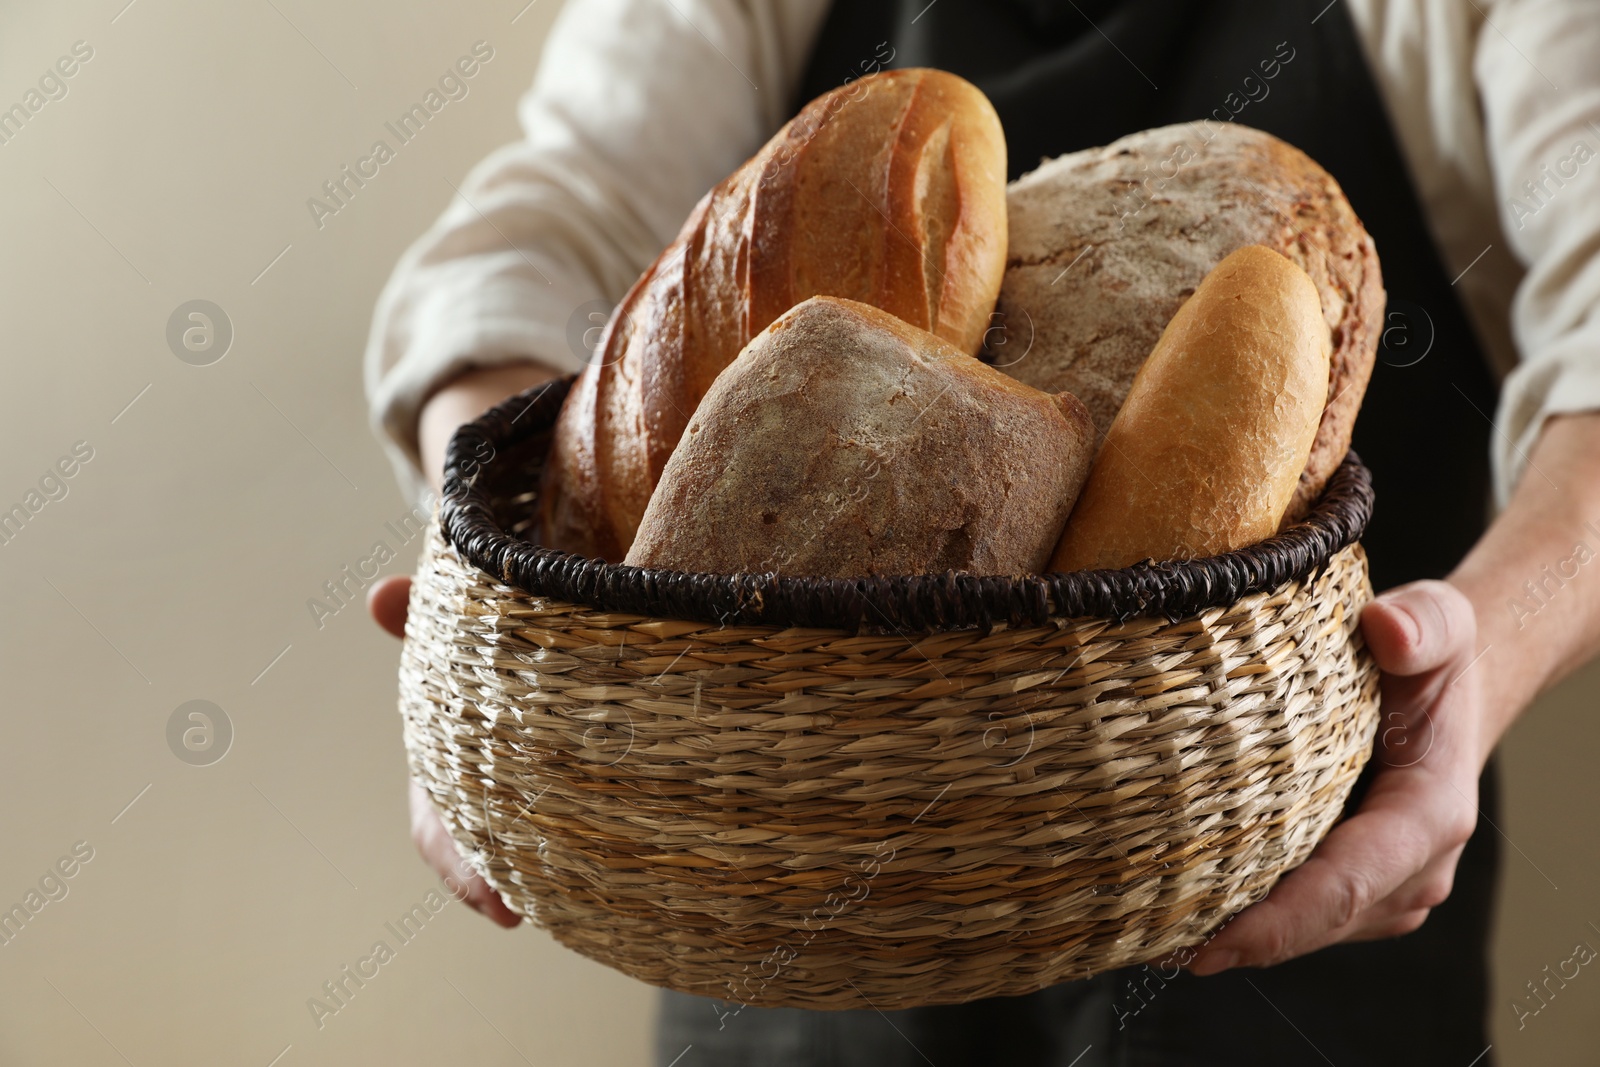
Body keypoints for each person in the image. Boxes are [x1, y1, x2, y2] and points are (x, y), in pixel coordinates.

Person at [362, 1, 1600, 1062]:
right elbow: (535, 238)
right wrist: (496, 584)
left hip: (1298, 933)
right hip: (787, 927)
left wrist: (1477, 657)